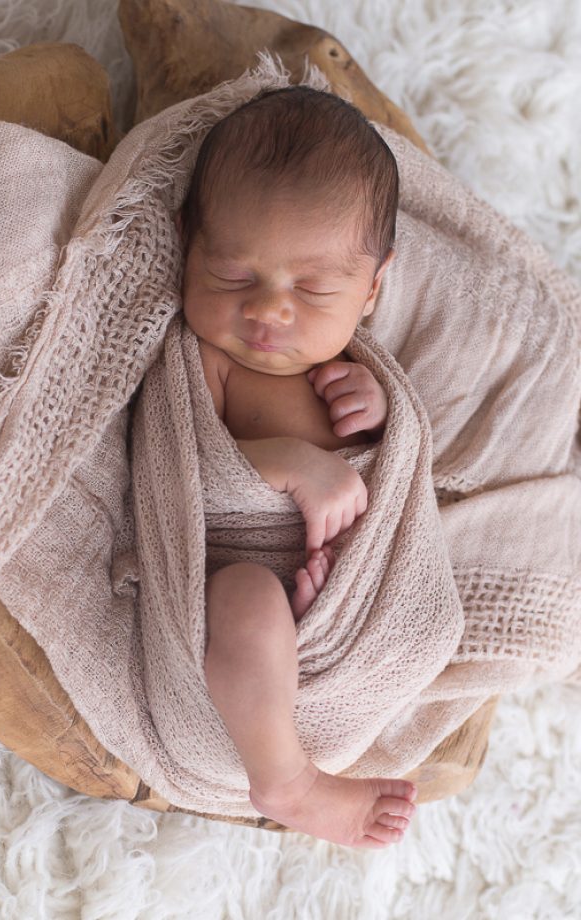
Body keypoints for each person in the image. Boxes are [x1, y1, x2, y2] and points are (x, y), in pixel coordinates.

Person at [175, 85, 418, 848]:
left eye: (313, 288)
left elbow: (403, 471)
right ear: (189, 245)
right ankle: (286, 779)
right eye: (235, 278)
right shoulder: (207, 360)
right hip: (232, 579)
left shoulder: (353, 361)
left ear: (372, 287)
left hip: (345, 586)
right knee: (249, 598)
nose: (269, 312)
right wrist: (280, 463)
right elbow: (168, 474)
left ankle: (318, 650)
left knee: (426, 628)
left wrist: (380, 416)